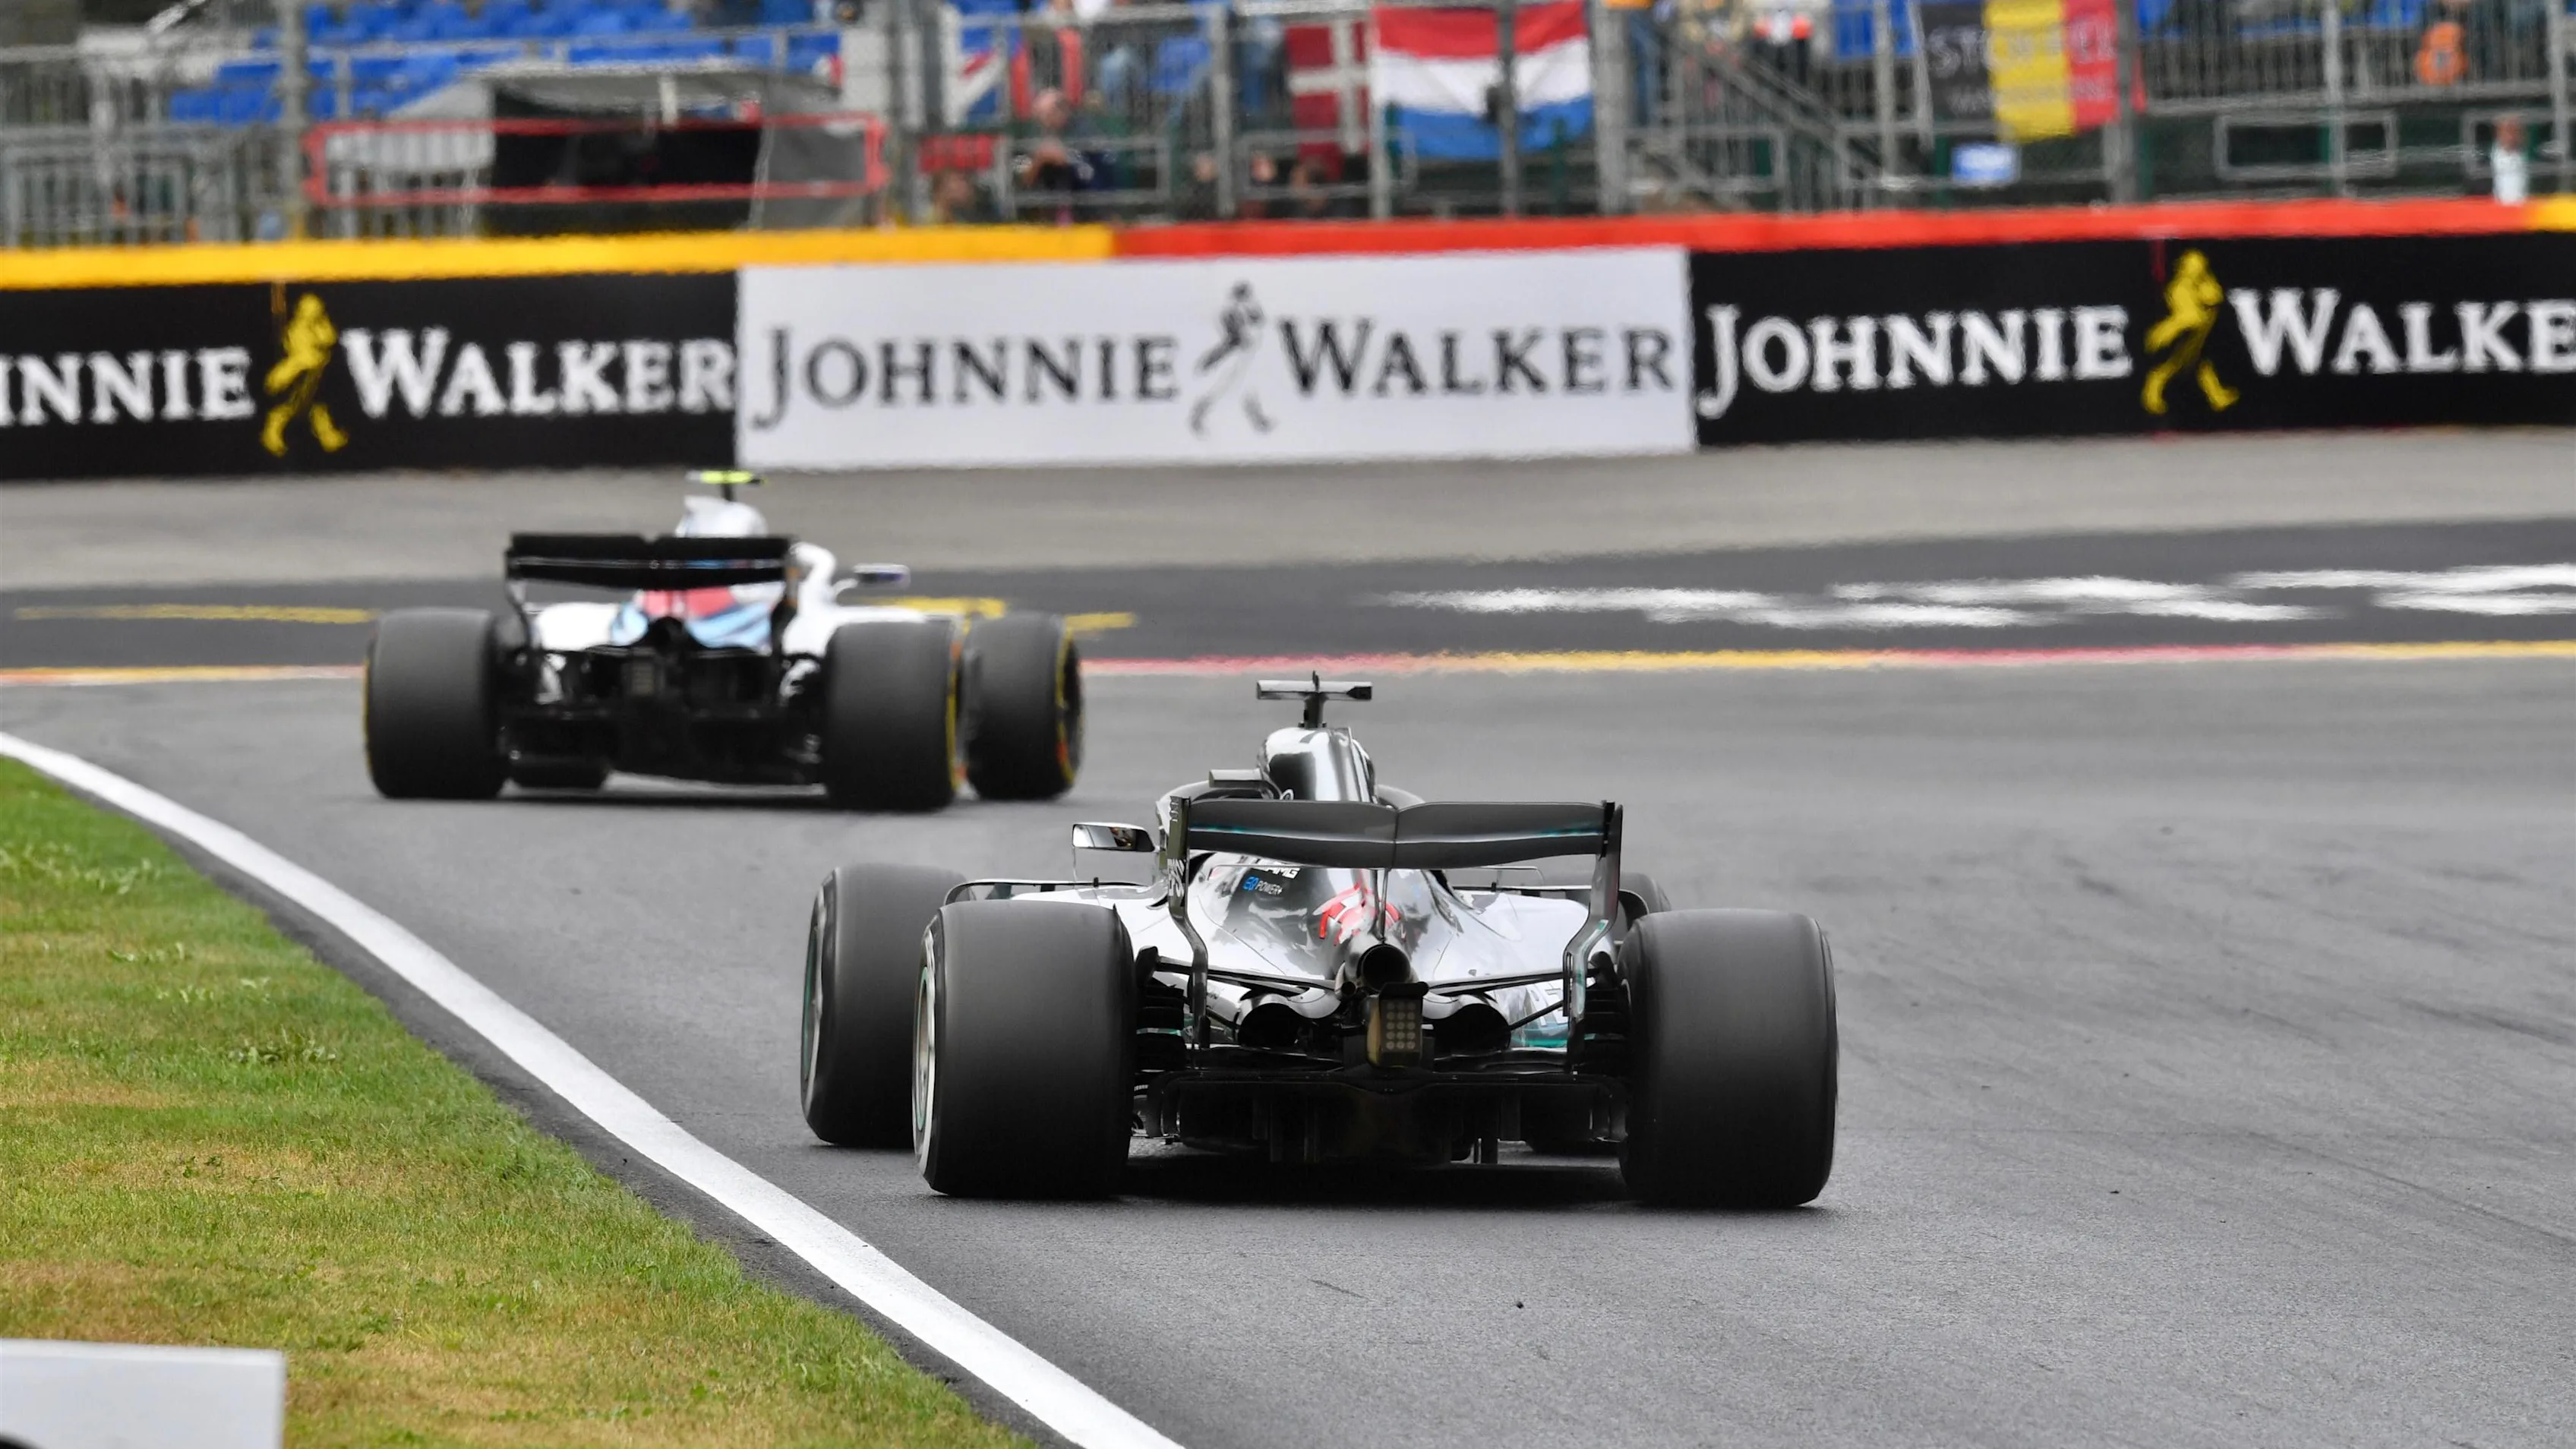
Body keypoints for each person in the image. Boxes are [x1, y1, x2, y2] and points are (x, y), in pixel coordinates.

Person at [2490, 114, 2530, 205]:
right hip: (2503, 204)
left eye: (2515, 131)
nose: (2512, 135)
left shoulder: (2521, 152)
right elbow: (2508, 144)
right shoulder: (2497, 152)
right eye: (2509, 131)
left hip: (2522, 205)